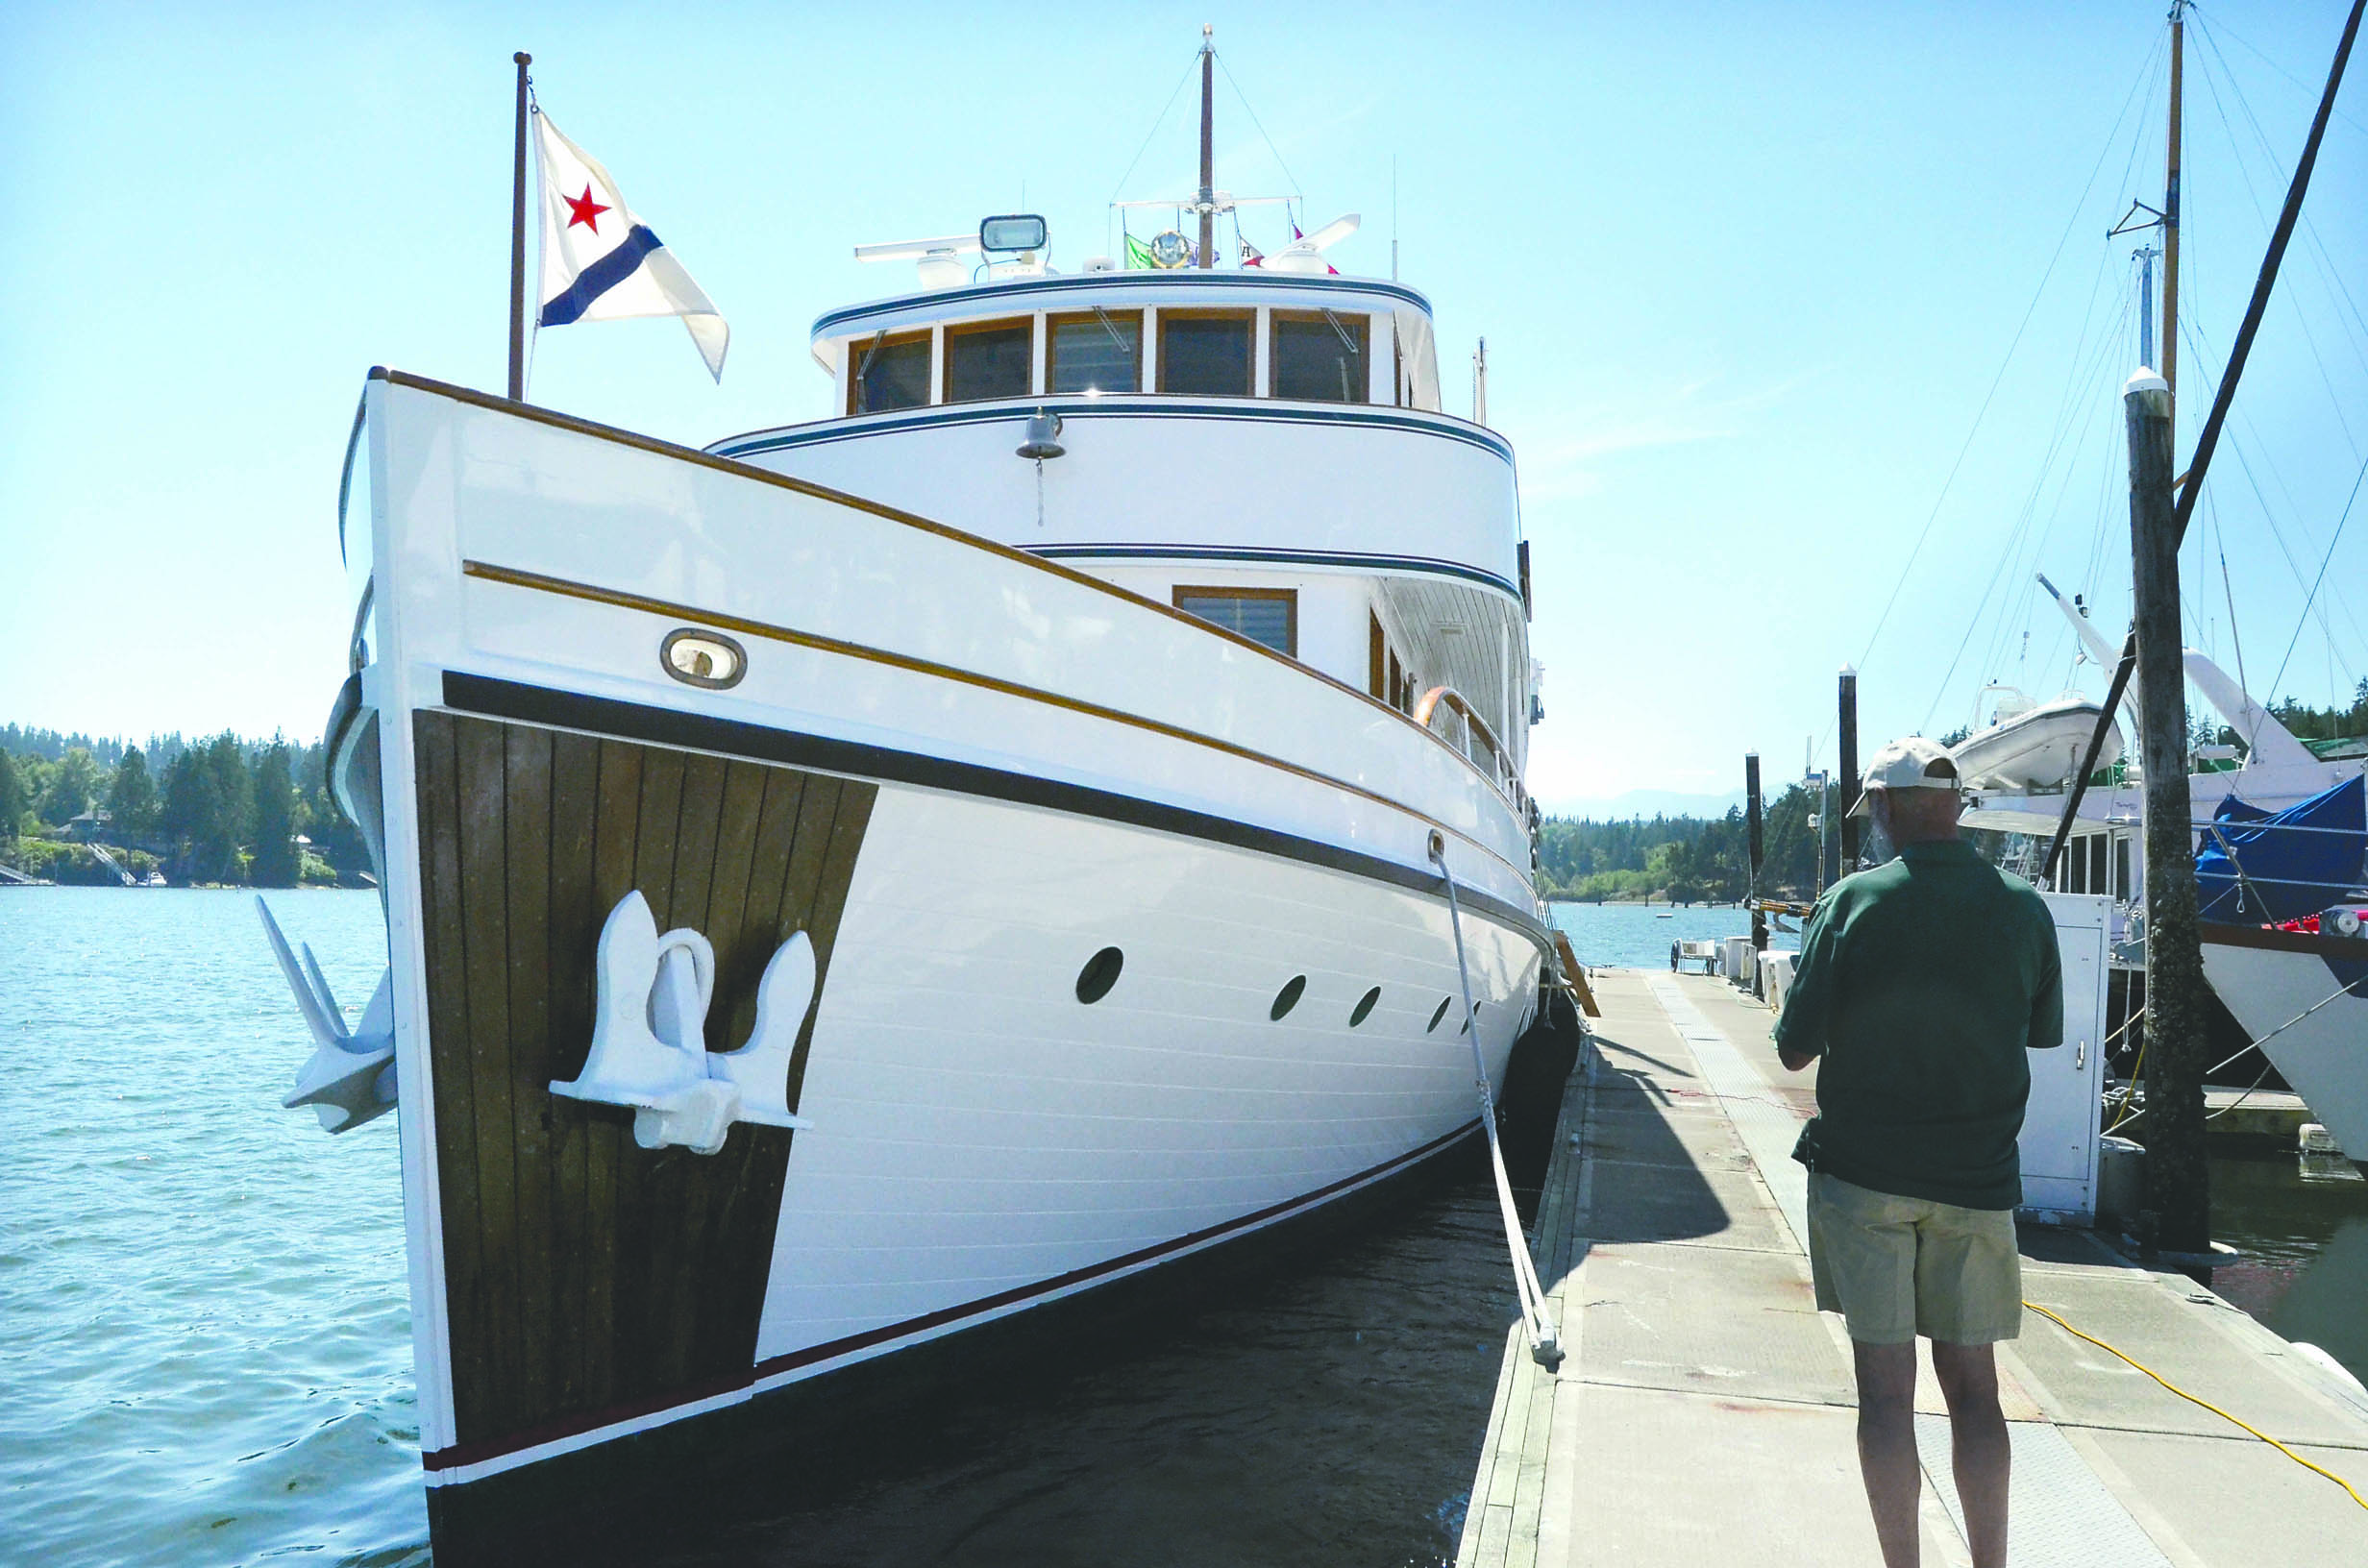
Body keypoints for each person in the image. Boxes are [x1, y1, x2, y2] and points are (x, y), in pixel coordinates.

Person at [1773, 736, 2061, 1568]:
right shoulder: (2024, 908)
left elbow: (1794, 1049)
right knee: (1975, 1393)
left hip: (1863, 1182)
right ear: (1956, 803)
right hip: (1976, 1184)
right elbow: (2039, 1034)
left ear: (1885, 806)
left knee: (1886, 1396)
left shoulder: (1852, 902)